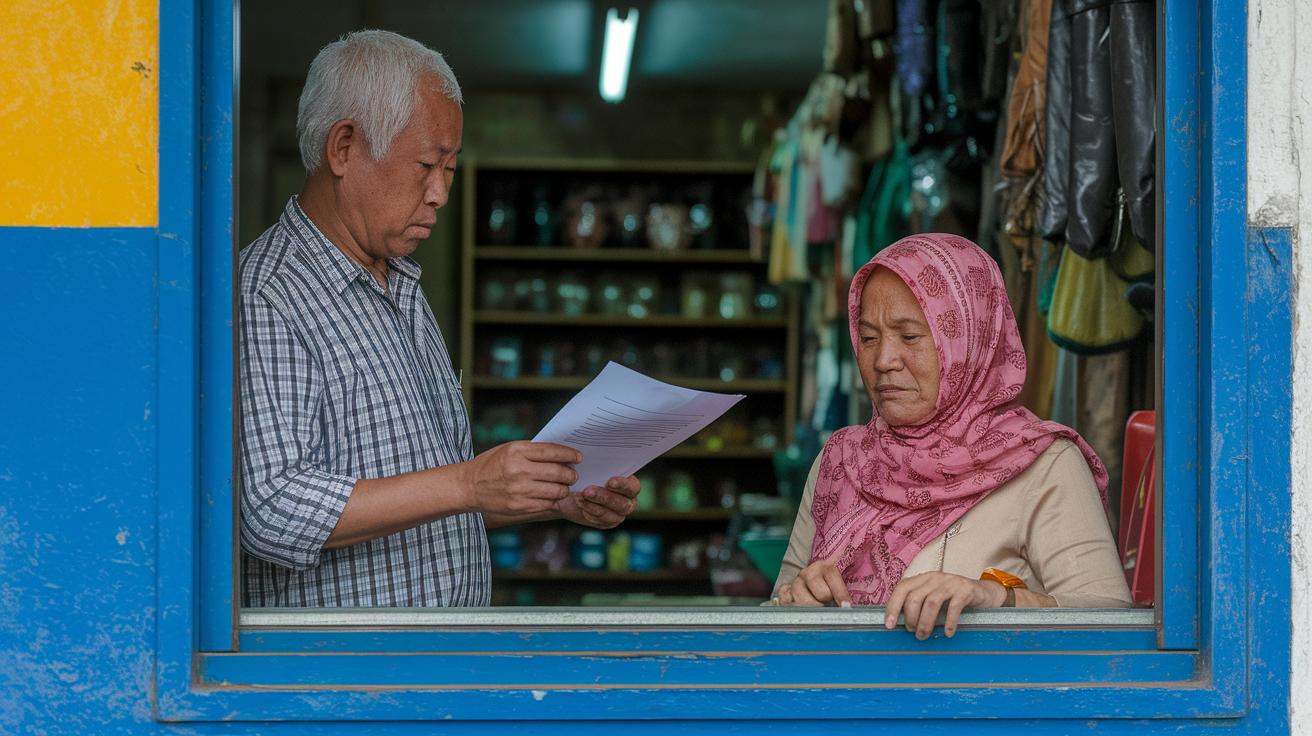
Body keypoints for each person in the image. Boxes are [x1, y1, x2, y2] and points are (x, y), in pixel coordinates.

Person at [239, 30, 640, 607]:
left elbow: (431, 501)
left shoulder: (397, 281)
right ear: (344, 148)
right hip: (344, 684)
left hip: (429, 668)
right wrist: (469, 482)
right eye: (428, 164)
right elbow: (271, 509)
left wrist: (546, 495)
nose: (440, 194)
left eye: (450, 168)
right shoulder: (271, 292)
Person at [773, 233, 1131, 636]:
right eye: (869, 338)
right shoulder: (842, 459)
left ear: (968, 340)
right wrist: (796, 599)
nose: (884, 360)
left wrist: (996, 597)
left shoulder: (1043, 463)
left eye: (909, 337)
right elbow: (772, 615)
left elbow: (1109, 621)